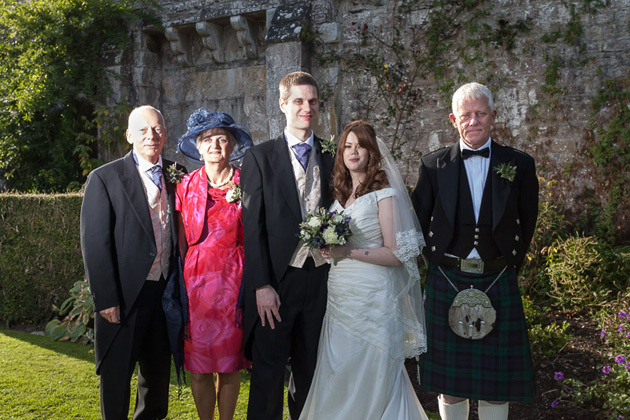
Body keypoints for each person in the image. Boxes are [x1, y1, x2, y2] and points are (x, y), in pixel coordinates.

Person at [411, 82, 539, 420]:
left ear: (494, 116)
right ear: (454, 119)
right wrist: (436, 263)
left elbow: (528, 220)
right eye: (466, 115)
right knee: (449, 379)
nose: (474, 121)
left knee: (497, 382)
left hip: (497, 276)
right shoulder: (433, 165)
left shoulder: (520, 164)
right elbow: (417, 221)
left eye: (481, 113)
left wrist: (508, 262)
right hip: (447, 277)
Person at [299, 120, 429, 420]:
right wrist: (325, 246)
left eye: (360, 146)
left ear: (371, 152)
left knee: (371, 366)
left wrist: (347, 251)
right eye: (347, 146)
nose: (353, 151)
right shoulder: (341, 198)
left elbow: (397, 254)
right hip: (341, 297)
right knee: (339, 365)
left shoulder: (386, 195)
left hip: (374, 298)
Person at [80, 105, 187, 419]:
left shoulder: (177, 173)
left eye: (157, 130)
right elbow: (95, 244)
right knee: (116, 380)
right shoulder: (104, 178)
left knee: (156, 382)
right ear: (129, 135)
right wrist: (107, 299)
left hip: (164, 294)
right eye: (142, 130)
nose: (151, 136)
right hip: (124, 298)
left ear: (165, 135)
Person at [240, 71, 335, 420]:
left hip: (322, 280)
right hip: (277, 282)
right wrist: (262, 285)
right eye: (298, 101)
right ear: (283, 105)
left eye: (312, 101)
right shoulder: (259, 157)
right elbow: (253, 228)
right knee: (268, 370)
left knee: (311, 368)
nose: (306, 108)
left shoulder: (331, 153)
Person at [174, 109, 253, 420]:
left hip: (235, 280)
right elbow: (181, 242)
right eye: (208, 139)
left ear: (232, 145)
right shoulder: (185, 185)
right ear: (198, 145)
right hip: (196, 286)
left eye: (222, 139)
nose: (215, 145)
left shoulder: (246, 182)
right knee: (199, 366)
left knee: (230, 365)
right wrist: (182, 283)